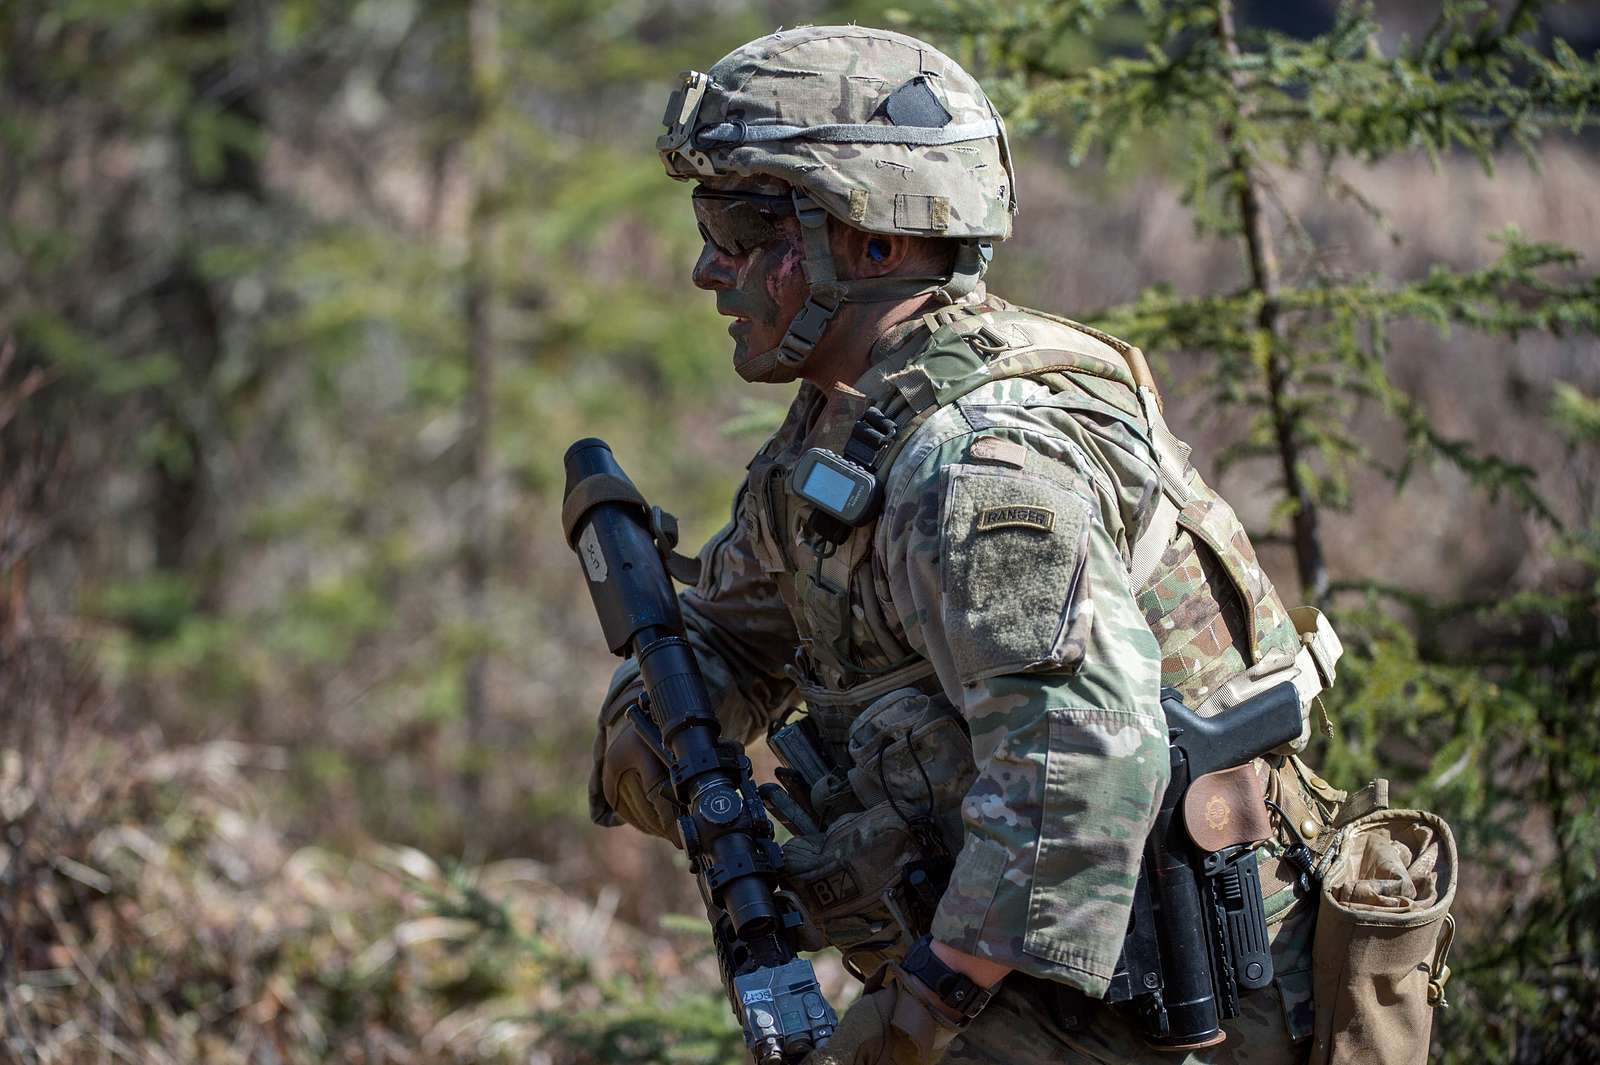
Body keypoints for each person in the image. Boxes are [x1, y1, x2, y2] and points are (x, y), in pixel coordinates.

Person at [590, 25, 1351, 1065]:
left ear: (872, 240)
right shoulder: (850, 426)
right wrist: (662, 729)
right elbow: (742, 623)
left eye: (740, 224)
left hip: (1173, 1014)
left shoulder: (979, 468)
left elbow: (1080, 766)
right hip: (1038, 982)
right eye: (706, 220)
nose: (705, 269)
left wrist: (918, 1017)